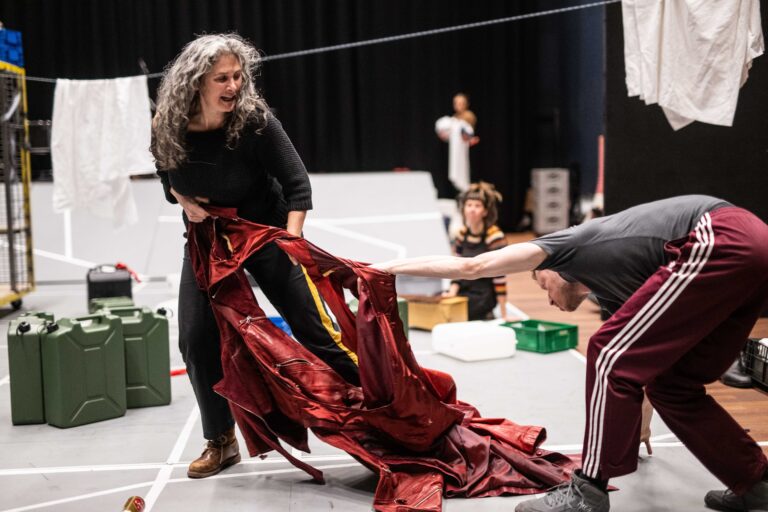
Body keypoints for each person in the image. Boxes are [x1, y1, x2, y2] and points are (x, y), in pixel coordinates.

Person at [373, 195, 768, 512]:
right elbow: (648, 364)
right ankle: (756, 482)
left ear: (552, 268)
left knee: (605, 350)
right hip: (751, 245)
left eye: (541, 284)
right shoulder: (615, 292)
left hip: (720, 235)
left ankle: (587, 492)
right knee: (673, 385)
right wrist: (642, 425)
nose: (546, 296)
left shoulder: (564, 246)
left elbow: (474, 266)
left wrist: (385, 269)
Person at [151, 33, 359, 479]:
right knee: (196, 338)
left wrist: (291, 242)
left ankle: (383, 413)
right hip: (210, 240)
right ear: (195, 81)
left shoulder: (254, 121)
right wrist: (181, 198)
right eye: (222, 78)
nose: (234, 85)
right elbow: (165, 171)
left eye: (238, 75)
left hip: (266, 233)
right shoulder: (167, 123)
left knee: (315, 330)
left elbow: (298, 186)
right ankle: (221, 440)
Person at [443, 181, 510, 320]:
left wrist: (504, 314)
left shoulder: (494, 236)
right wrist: (452, 293)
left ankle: (488, 313)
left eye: (477, 206)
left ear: (485, 211)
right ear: (463, 209)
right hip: (464, 290)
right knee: (442, 306)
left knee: (458, 314)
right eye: (469, 205)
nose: (472, 209)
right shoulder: (461, 234)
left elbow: (500, 277)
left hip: (483, 295)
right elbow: (456, 267)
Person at [435, 92, 480, 193]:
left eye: (461, 103)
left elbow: (468, 133)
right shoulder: (454, 118)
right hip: (457, 151)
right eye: (456, 103)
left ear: (466, 104)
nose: (458, 105)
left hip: (467, 151)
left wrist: (466, 136)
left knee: (465, 174)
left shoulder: (468, 116)